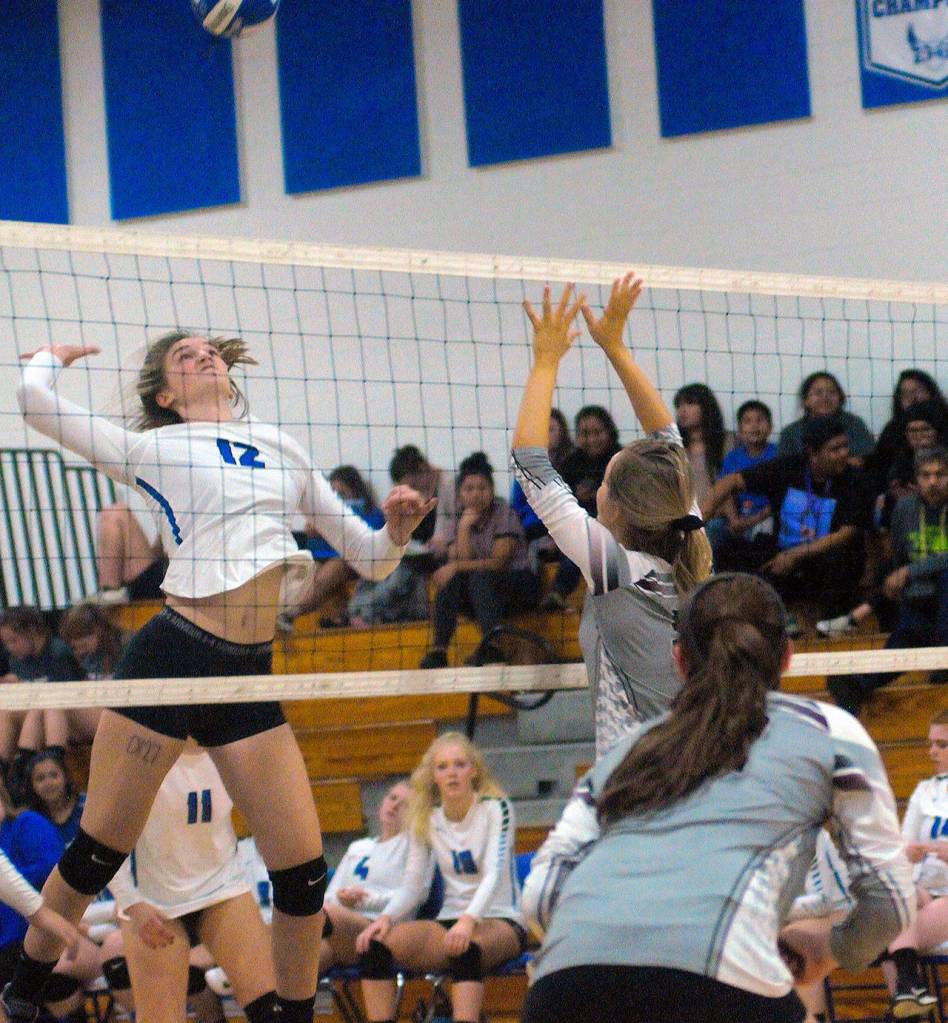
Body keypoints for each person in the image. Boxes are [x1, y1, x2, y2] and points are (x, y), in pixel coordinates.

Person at [3, 331, 433, 1023]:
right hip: (173, 656)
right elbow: (35, 404)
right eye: (185, 356)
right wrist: (51, 360)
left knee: (301, 871)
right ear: (166, 395)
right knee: (96, 851)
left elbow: (371, 558)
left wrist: (401, 527)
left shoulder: (281, 447)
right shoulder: (155, 448)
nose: (204, 355)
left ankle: (294, 1013)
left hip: (247, 670)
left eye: (210, 350)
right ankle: (23, 991)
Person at [520, 573, 915, 1023]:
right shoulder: (829, 731)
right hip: (717, 985)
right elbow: (890, 898)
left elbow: (541, 894)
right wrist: (832, 949)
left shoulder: (629, 750)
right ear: (787, 656)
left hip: (564, 985)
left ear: (679, 661)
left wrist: (608, 944)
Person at [512, 275, 711, 756]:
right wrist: (614, 347)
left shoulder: (615, 568)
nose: (595, 488)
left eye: (603, 480)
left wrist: (545, 361)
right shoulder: (690, 543)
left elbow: (530, 465)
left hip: (647, 774)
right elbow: (667, 441)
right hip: (697, 757)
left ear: (615, 505)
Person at [354, 733, 524, 1023]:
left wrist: (469, 921)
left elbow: (493, 874)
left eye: (460, 765)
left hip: (499, 919)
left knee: (466, 950)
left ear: (474, 770)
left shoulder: (497, 808)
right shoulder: (427, 817)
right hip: (450, 919)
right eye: (443, 767)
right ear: (433, 776)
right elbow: (411, 886)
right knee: (374, 947)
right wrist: (385, 918)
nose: (452, 773)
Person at [101, 746, 278, 1023]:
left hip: (222, 887)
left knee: (274, 1010)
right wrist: (131, 902)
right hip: (152, 903)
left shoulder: (231, 741)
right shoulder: (136, 747)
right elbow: (103, 836)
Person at [702, 414, 875, 626]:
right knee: (729, 551)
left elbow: (848, 532)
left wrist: (795, 555)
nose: (844, 454)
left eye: (845, 447)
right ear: (812, 453)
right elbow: (730, 482)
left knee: (844, 557)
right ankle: (769, 617)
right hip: (782, 554)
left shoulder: (855, 479)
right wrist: (697, 523)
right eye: (835, 449)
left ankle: (833, 625)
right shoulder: (789, 468)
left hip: (822, 557)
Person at [828, 446, 948, 715]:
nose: (933, 482)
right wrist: (903, 579)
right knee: (906, 637)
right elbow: (898, 559)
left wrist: (909, 573)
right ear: (916, 480)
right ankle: (856, 686)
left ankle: (944, 659)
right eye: (926, 475)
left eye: (940, 474)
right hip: (922, 600)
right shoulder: (905, 509)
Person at [419, 452, 539, 669]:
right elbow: (464, 562)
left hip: (519, 584)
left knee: (479, 577)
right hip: (483, 593)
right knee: (454, 581)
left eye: (482, 488)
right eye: (469, 489)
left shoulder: (504, 513)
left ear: (492, 490)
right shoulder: (459, 518)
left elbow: (497, 563)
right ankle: (438, 650)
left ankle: (494, 646)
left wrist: (454, 566)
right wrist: (464, 528)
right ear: (460, 494)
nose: (475, 494)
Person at [0, 776, 101, 1023]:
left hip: (28, 938)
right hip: (16, 942)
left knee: (44, 971)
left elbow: (55, 866)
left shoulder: (26, 823)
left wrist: (45, 917)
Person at [879, 709, 948, 1019]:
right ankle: (908, 995)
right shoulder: (925, 790)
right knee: (894, 896)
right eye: (931, 743)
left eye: (942, 744)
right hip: (925, 891)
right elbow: (901, 846)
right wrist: (911, 851)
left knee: (885, 931)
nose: (932, 751)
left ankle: (906, 997)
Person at [319, 781, 419, 974]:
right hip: (338, 930)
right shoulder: (358, 847)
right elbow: (329, 897)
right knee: (291, 966)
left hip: (380, 927)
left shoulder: (416, 847)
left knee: (322, 915)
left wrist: (364, 901)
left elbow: (412, 895)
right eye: (392, 798)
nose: (395, 805)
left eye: (405, 804)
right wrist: (341, 899)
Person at [282, 465, 389, 629]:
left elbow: (369, 539)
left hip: (353, 560)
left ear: (354, 491)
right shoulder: (324, 514)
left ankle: (291, 614)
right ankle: (335, 619)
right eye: (334, 494)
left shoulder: (371, 512)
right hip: (324, 557)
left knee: (327, 576)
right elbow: (314, 547)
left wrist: (331, 530)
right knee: (309, 575)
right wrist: (316, 530)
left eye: (342, 493)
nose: (338, 499)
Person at [539, 405, 623, 609]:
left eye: (597, 433)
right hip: (580, 530)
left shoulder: (622, 459)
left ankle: (559, 590)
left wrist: (597, 496)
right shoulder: (572, 463)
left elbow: (630, 499)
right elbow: (559, 504)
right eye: (585, 434)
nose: (592, 439)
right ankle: (555, 594)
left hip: (616, 528)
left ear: (609, 432)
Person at [0, 608, 85, 801]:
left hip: (69, 717)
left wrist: (24, 687)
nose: (10, 648)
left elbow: (68, 695)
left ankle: (25, 770)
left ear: (32, 632)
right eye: (6, 643)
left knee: (46, 702)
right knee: (5, 709)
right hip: (37, 719)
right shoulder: (18, 661)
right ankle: (4, 772)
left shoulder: (58, 653)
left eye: (14, 640)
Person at [705, 399, 777, 566]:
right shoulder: (733, 457)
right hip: (738, 516)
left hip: (767, 516)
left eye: (760, 420)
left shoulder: (777, 454)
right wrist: (734, 520)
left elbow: (780, 497)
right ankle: (711, 578)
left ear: (771, 427)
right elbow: (724, 493)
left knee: (765, 533)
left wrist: (753, 521)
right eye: (747, 421)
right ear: (740, 430)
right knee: (714, 528)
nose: (754, 426)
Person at [869, 369, 947, 495]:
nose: (912, 397)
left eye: (918, 390)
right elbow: (878, 472)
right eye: (905, 393)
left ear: (931, 392)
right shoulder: (892, 431)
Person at [510, 409, 574, 543]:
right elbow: (516, 505)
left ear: (561, 432)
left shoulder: (573, 463)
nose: (545, 435)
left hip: (568, 525)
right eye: (540, 429)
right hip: (535, 527)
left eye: (550, 429)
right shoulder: (525, 468)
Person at [777, 372, 874, 460]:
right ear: (805, 400)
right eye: (818, 393)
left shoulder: (854, 424)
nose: (825, 397)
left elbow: (864, 459)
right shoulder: (791, 433)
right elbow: (787, 468)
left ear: (840, 398)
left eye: (832, 392)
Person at [90, 502, 168, 606]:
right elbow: (162, 546)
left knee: (116, 515)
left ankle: (109, 597)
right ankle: (110, 594)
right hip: (164, 575)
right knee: (113, 514)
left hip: (176, 583)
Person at [388, 445, 457, 557]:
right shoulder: (413, 491)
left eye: (413, 485)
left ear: (423, 468)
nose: (412, 491)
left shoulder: (449, 484)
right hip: (422, 547)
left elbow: (456, 519)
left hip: (446, 548)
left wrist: (443, 538)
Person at [673, 382, 731, 507]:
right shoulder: (674, 447)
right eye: (678, 405)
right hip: (684, 518)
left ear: (706, 406)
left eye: (690, 403)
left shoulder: (728, 442)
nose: (682, 410)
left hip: (721, 517)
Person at [25, 750, 85, 849]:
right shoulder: (31, 822)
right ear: (32, 786)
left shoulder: (86, 806)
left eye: (54, 775)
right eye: (40, 778)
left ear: (66, 777)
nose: (48, 783)